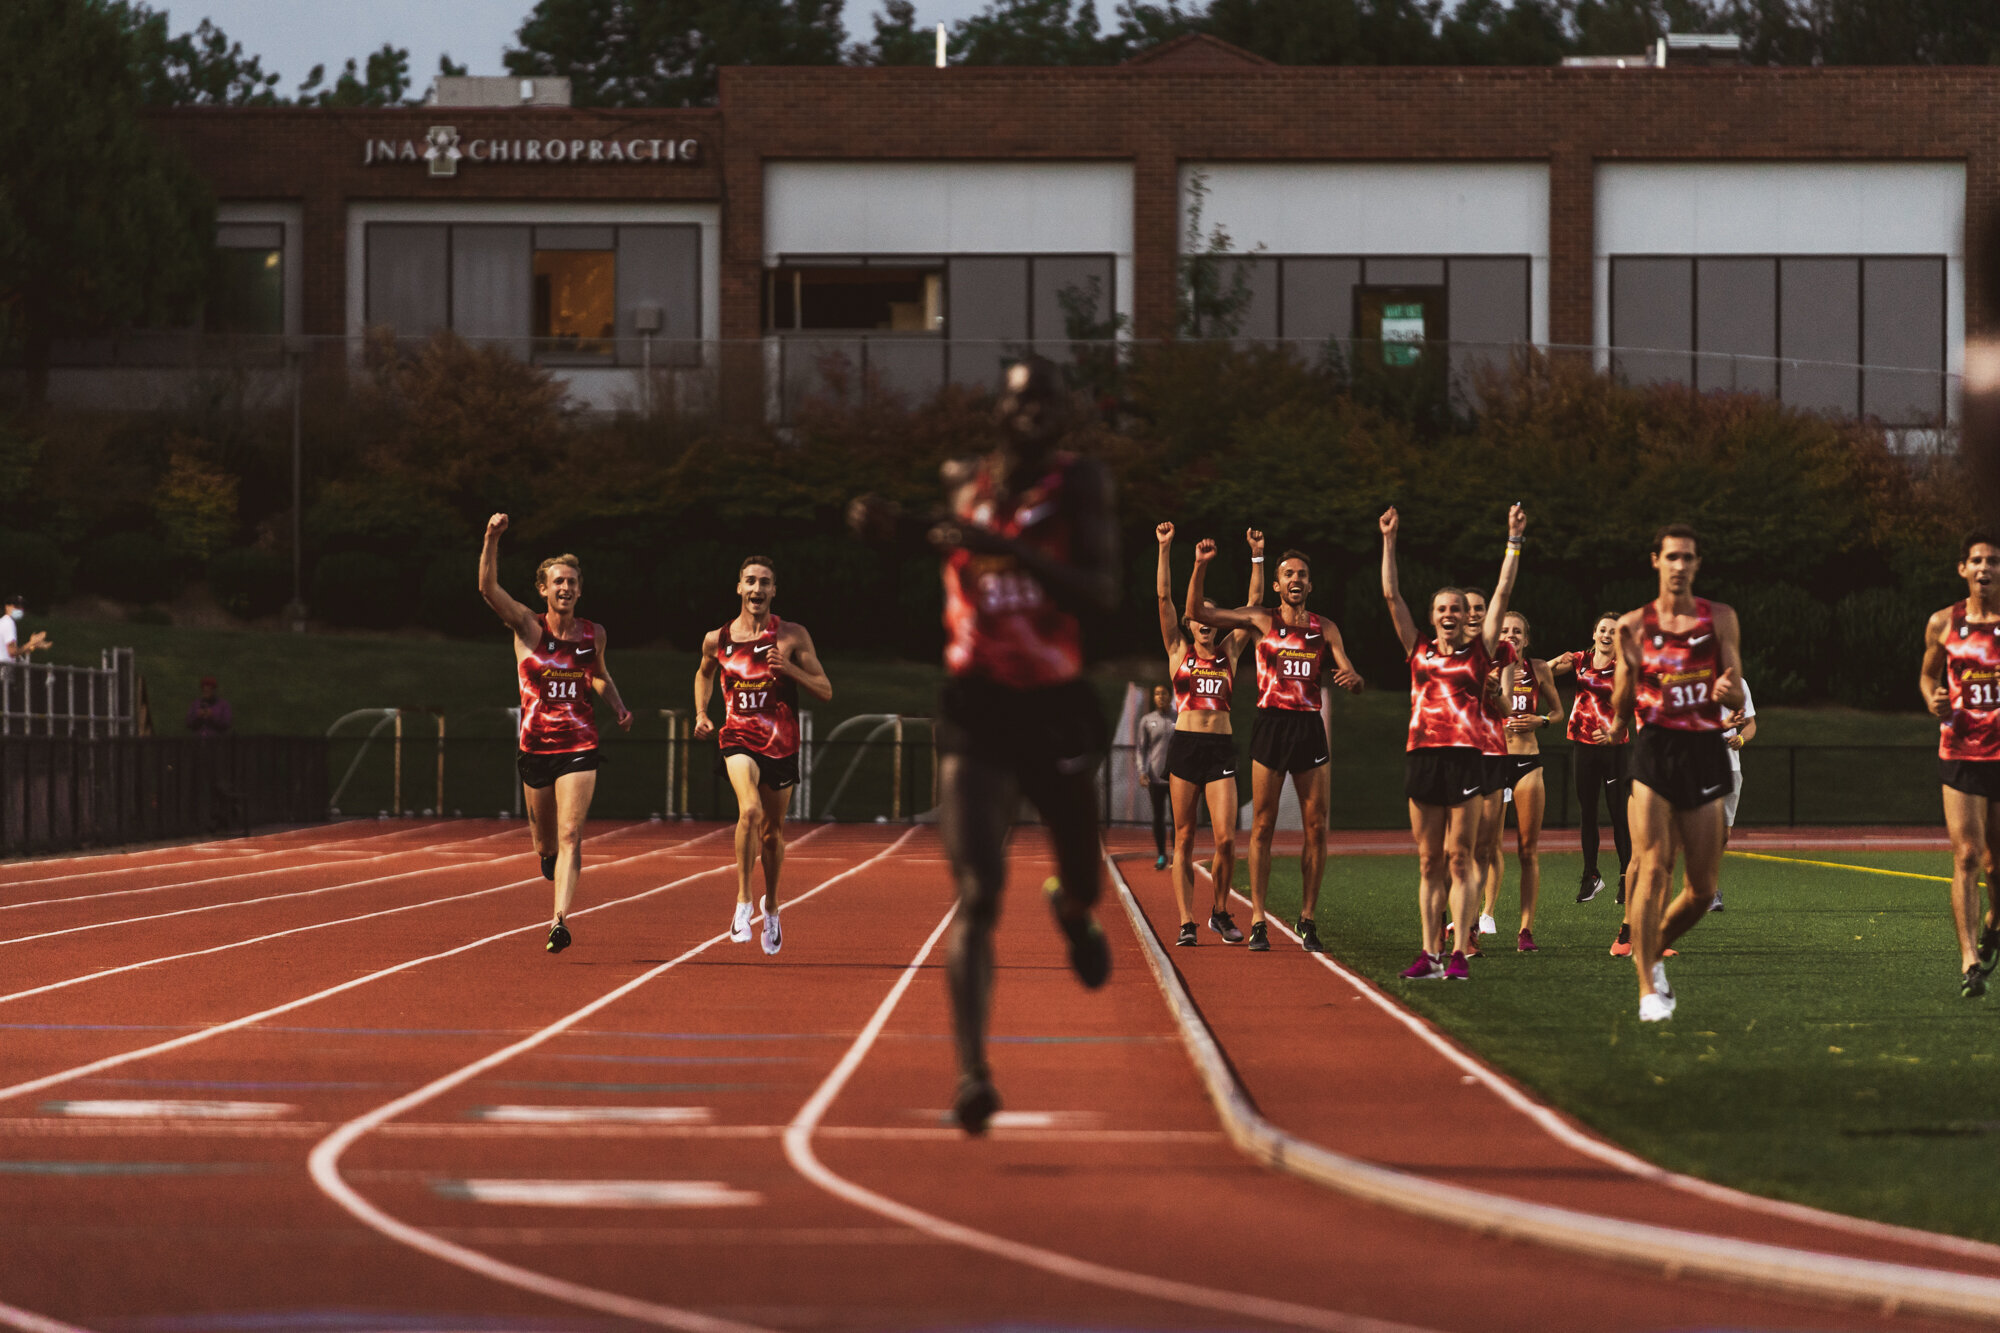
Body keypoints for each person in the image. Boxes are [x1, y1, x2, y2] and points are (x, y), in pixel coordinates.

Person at [848, 355, 1119, 1136]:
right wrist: (887, 526)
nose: (1032, 411)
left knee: (1084, 878)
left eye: (1046, 401)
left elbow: (1101, 593)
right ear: (997, 410)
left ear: (1063, 416)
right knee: (975, 891)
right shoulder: (962, 480)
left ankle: (1072, 913)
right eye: (1019, 399)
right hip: (976, 706)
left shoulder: (1082, 486)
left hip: (1056, 704)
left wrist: (1007, 551)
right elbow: (936, 538)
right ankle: (972, 1072)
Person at [1186, 545, 1363, 953]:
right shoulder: (1260, 619)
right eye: (1288, 574)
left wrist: (1354, 681)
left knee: (1316, 826)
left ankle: (1307, 919)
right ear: (1279, 583)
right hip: (1271, 724)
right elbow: (1198, 611)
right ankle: (1259, 920)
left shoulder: (1325, 628)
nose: (1295, 580)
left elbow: (1351, 673)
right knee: (1262, 825)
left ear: (1310, 584)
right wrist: (1200, 565)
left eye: (1302, 574)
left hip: (1308, 726)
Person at [1381, 504, 1525, 981]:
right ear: (1433, 616)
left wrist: (1513, 541)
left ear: (1466, 618)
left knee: (1460, 858)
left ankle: (1460, 951)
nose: (1449, 614)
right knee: (1429, 860)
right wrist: (1389, 539)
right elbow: (1390, 593)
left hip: (1465, 758)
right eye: (1441, 609)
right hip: (1422, 757)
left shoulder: (1480, 651)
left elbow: (1503, 591)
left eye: (1456, 609)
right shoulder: (1416, 648)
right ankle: (1429, 953)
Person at [1608, 524, 1744, 1022]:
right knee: (1654, 864)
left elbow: (1732, 685)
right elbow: (1623, 705)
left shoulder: (1720, 619)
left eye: (1688, 557)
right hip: (1655, 748)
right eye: (1671, 556)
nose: (1680, 565)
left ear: (1697, 563)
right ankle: (1648, 987)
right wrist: (1628, 668)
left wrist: (1729, 693)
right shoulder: (1633, 626)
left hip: (1705, 748)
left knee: (1703, 890)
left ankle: (1652, 946)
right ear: (1655, 561)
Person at [478, 516, 633, 954]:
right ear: (543, 589)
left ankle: (559, 920)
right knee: (547, 843)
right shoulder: (528, 627)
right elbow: (488, 590)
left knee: (571, 834)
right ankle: (548, 859)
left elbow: (598, 676)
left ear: (579, 590)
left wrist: (617, 705)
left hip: (579, 745)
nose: (564, 588)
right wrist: (492, 538)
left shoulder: (593, 634)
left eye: (571, 582)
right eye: (557, 582)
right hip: (535, 748)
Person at [693, 556, 833, 956]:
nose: (757, 590)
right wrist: (703, 713)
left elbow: (825, 690)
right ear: (739, 587)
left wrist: (790, 669)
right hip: (737, 737)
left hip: (781, 745)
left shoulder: (791, 636)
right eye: (750, 582)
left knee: (772, 833)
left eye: (765, 583)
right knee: (749, 811)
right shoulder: (716, 638)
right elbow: (704, 672)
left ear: (774, 591)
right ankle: (743, 901)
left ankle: (771, 904)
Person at [1153, 522, 1262, 945]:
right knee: (1183, 837)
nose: (1205, 623)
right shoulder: (1177, 651)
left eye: (1210, 618)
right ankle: (1186, 921)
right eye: (1198, 617)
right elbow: (1163, 598)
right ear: (1191, 621)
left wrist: (1257, 556)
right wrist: (1166, 549)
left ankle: (1219, 911)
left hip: (1219, 748)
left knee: (1225, 840)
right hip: (1185, 746)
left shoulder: (1229, 652)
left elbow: (1253, 605)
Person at [1920, 531, 2000, 998]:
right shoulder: (1943, 624)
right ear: (1963, 568)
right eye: (1977, 561)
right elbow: (1929, 674)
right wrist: (1932, 699)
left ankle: (1994, 921)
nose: (1985, 569)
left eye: (1992, 561)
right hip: (1961, 751)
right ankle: (1970, 960)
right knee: (1968, 856)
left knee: (1997, 864)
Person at [1550, 614, 1633, 913]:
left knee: (1618, 813)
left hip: (1613, 748)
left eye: (1613, 631)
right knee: (1587, 813)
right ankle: (1591, 875)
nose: (1607, 634)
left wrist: (1613, 733)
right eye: (1602, 629)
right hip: (1582, 744)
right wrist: (1549, 663)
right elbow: (1540, 674)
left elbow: (1634, 704)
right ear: (1594, 633)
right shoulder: (1580, 659)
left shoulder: (1624, 666)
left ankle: (1627, 875)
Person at [1496, 611, 1562, 952]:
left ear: (1527, 637)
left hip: (1528, 762)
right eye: (1505, 630)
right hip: (1493, 761)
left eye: (1518, 631)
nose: (1511, 635)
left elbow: (1558, 712)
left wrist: (1542, 720)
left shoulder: (1538, 669)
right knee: (1485, 850)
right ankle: (1479, 922)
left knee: (1527, 851)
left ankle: (1525, 930)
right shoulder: (1487, 667)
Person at [1463, 587, 1508, 945]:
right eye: (1469, 607)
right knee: (1454, 847)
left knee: (1484, 846)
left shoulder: (1500, 651)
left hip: (1492, 752)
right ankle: (1449, 922)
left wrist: (1493, 691)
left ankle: (1472, 925)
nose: (1474, 613)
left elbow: (1508, 710)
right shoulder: (1445, 649)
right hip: (1457, 751)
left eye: (1480, 607)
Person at [1710, 677, 1757, 910]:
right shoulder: (1693, 679)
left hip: (1731, 766)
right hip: (1703, 765)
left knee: (1723, 834)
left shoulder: (1738, 683)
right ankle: (1708, 890)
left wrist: (1740, 738)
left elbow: (1751, 725)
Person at [1135, 684, 1177, 871]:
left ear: (1170, 696)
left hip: (1177, 777)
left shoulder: (1180, 717)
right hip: (1155, 777)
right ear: (1154, 697)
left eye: (1164, 693)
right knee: (1158, 817)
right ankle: (1161, 855)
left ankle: (1178, 855)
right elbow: (1141, 749)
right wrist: (1142, 771)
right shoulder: (1147, 720)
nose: (1160, 697)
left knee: (1179, 819)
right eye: (1157, 694)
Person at [1, 594, 51, 664]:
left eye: (21, 606)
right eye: (16, 606)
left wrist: (32, 646)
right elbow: (12, 652)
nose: (19, 609)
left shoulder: (2, 622)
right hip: (3, 669)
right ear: (7, 607)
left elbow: (11, 651)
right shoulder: (9, 623)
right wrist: (31, 643)